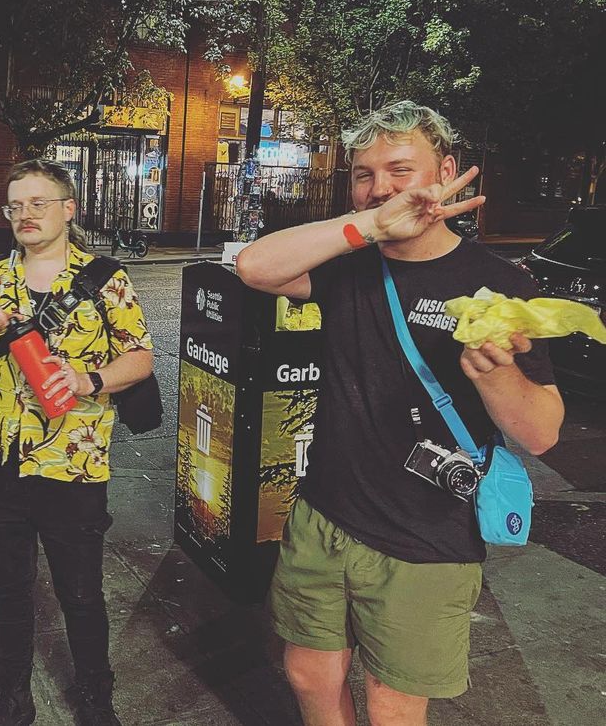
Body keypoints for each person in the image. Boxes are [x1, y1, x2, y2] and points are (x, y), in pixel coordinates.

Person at [235, 101, 564, 726]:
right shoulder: (349, 266)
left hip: (427, 534)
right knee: (309, 674)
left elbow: (543, 432)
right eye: (365, 174)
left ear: (446, 172)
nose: (380, 187)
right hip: (325, 514)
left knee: (392, 703)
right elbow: (253, 267)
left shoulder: (499, 283)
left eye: (400, 169)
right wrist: (367, 225)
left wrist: (495, 376)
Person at [0, 160, 154, 726]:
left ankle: (96, 698)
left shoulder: (105, 280)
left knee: (81, 592)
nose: (25, 215)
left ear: (68, 209)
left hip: (74, 461)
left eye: (38, 203)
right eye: (15, 206)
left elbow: (141, 357)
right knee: (9, 588)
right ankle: (13, 695)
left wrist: (89, 380)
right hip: (1, 460)